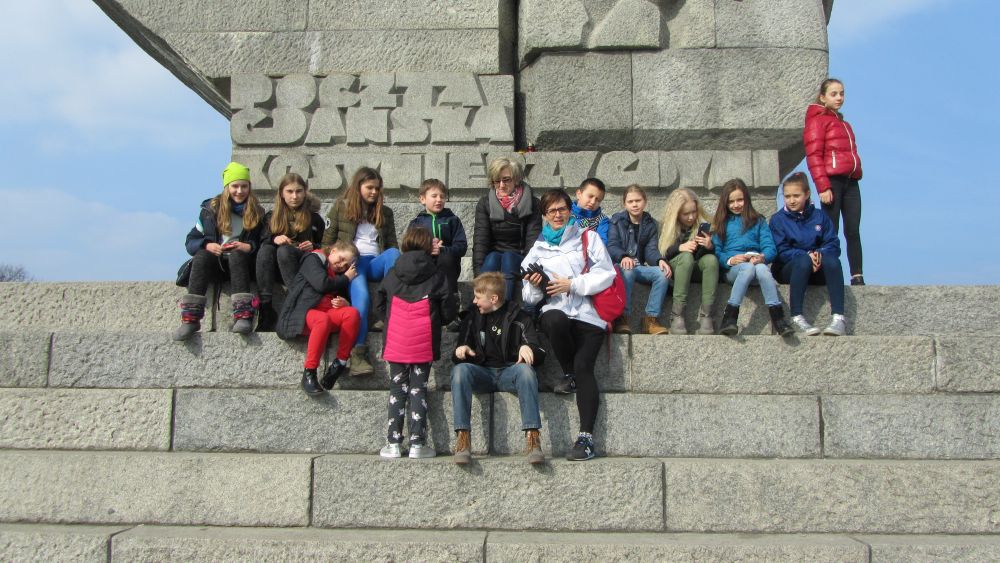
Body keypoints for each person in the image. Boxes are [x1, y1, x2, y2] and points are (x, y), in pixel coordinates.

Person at [522, 189, 616, 461]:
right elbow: (528, 298)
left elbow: (606, 273)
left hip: (589, 314)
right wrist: (535, 285)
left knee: (585, 367)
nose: (558, 215)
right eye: (551, 210)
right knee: (553, 319)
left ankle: (586, 439)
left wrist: (572, 284)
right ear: (544, 215)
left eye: (562, 209)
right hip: (557, 311)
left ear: (570, 210)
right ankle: (568, 372)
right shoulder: (537, 249)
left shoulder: (588, 237)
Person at [373, 226, 457, 459]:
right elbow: (448, 308)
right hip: (424, 339)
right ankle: (417, 444)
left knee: (397, 388)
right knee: (418, 388)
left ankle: (393, 444)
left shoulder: (393, 272)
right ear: (427, 245)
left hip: (396, 338)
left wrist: (388, 320)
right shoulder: (436, 274)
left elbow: (379, 301)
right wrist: (440, 321)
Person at [450, 272, 547, 465]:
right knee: (460, 371)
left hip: (509, 372)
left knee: (526, 371)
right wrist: (461, 350)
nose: (474, 301)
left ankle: (533, 438)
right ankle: (463, 438)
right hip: (482, 373)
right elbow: (459, 352)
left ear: (493, 299)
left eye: (478, 297)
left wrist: (529, 348)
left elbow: (540, 352)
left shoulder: (519, 317)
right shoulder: (472, 317)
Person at [321, 167, 400, 375]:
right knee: (362, 299)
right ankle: (358, 354)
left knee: (393, 254)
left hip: (375, 262)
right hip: (354, 264)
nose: (374, 192)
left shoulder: (385, 212)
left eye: (377, 188)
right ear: (358, 186)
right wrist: (340, 263)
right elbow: (326, 243)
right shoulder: (341, 207)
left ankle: (387, 312)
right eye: (369, 187)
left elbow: (392, 244)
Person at [173, 162, 265, 341]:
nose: (239, 191)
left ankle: (243, 315)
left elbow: (263, 242)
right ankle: (191, 318)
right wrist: (207, 245)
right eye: (235, 186)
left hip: (242, 265)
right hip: (215, 263)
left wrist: (248, 247)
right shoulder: (210, 210)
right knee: (202, 255)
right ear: (227, 187)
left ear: (249, 187)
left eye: (244, 186)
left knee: (238, 255)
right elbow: (191, 241)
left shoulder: (258, 212)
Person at [275, 241, 361, 395]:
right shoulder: (313, 258)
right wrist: (346, 278)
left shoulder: (338, 274)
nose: (341, 265)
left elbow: (341, 292)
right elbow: (322, 284)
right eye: (341, 258)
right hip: (303, 312)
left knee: (352, 313)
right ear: (333, 251)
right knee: (322, 319)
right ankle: (309, 373)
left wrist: (345, 302)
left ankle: (339, 364)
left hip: (327, 312)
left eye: (346, 265)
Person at [711, 179, 793, 337]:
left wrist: (762, 257)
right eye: (731, 202)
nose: (736, 205)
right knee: (748, 268)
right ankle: (729, 317)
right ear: (725, 203)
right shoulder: (721, 222)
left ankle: (778, 319)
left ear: (746, 199)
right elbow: (717, 251)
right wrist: (730, 260)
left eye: (740, 200)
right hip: (733, 270)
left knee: (763, 270)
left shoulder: (758, 221)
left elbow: (770, 247)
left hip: (755, 265)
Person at [769, 172, 847, 336]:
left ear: (807, 194)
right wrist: (806, 256)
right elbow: (781, 250)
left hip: (817, 268)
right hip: (789, 269)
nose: (791, 200)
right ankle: (797, 317)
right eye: (787, 196)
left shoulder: (820, 216)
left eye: (796, 196)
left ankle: (838, 318)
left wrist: (818, 254)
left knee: (833, 261)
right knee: (803, 260)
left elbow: (833, 243)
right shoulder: (778, 219)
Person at [804, 78, 865, 286]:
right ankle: (826, 274)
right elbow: (814, 155)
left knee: (853, 230)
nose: (839, 98)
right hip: (832, 181)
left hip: (851, 181)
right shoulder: (817, 121)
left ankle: (857, 275)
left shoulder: (844, 124)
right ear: (822, 97)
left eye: (842, 93)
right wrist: (823, 186)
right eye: (834, 94)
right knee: (830, 231)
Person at [255, 173, 325, 332]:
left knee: (285, 251)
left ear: (305, 192)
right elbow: (261, 241)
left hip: (302, 266)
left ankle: (297, 301)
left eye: (299, 191)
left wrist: (313, 246)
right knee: (266, 250)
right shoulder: (271, 217)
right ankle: (265, 308)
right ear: (281, 193)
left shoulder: (314, 218)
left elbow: (326, 247)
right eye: (290, 191)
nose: (294, 196)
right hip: (274, 268)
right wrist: (274, 238)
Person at [472, 157, 542, 303]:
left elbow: (532, 240)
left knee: (509, 258)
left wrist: (529, 271)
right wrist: (478, 274)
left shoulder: (532, 203)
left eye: (506, 180)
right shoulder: (485, 204)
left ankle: (505, 307)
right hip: (494, 257)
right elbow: (481, 241)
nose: (501, 185)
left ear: (516, 179)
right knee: (492, 258)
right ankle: (483, 304)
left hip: (520, 257)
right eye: (497, 181)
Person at [607, 184, 670, 335]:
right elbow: (612, 245)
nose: (634, 204)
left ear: (645, 201)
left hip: (639, 267)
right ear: (625, 204)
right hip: (620, 265)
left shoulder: (650, 223)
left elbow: (651, 250)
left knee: (662, 274)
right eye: (630, 201)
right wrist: (623, 256)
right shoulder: (616, 221)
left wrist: (659, 260)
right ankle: (622, 317)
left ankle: (650, 320)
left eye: (638, 200)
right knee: (628, 270)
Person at [658, 187, 718, 335]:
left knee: (711, 260)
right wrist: (680, 247)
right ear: (676, 213)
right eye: (686, 214)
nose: (691, 217)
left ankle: (707, 315)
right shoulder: (664, 226)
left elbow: (701, 257)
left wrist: (708, 246)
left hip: (694, 267)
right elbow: (662, 253)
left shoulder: (702, 225)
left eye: (694, 212)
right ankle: (677, 315)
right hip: (674, 268)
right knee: (686, 257)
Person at [406, 178, 467, 299]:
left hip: (447, 267)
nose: (439, 200)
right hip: (424, 265)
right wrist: (427, 248)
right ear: (423, 199)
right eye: (434, 196)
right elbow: (408, 249)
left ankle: (450, 301)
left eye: (442, 196)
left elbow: (461, 247)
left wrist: (443, 249)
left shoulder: (452, 220)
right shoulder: (416, 223)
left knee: (445, 258)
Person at [570, 178, 610, 244]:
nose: (593, 202)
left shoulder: (602, 220)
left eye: (598, 200)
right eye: (590, 196)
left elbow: (602, 243)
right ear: (579, 194)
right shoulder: (565, 213)